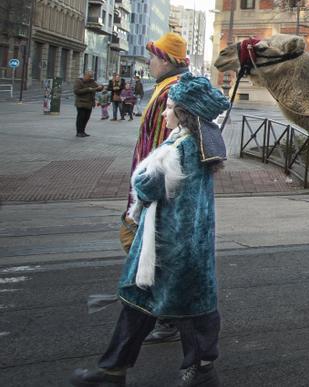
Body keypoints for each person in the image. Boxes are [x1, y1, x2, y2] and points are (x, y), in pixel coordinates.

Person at [70, 73, 230, 387]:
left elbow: (147, 185)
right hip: (172, 245)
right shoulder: (197, 140)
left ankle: (201, 372)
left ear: (184, 113)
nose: (164, 113)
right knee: (140, 305)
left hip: (171, 247)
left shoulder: (181, 147)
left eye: (170, 108)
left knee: (187, 310)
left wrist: (144, 179)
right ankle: (113, 371)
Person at [121, 32, 191, 344]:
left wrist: (150, 191)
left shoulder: (172, 91)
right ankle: (162, 314)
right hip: (151, 185)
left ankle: (167, 317)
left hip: (158, 189)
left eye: (153, 57)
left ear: (165, 59)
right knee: (149, 249)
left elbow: (169, 147)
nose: (149, 62)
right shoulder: (166, 88)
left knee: (156, 251)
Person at [74, 71, 103, 137]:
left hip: (89, 103)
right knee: (81, 118)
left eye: (91, 76)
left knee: (86, 118)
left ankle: (83, 131)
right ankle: (79, 132)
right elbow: (76, 91)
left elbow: (98, 88)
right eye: (89, 76)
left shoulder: (92, 81)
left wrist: (101, 87)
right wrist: (88, 89)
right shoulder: (78, 81)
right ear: (85, 75)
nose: (90, 78)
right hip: (81, 103)